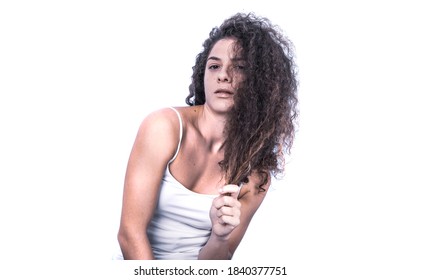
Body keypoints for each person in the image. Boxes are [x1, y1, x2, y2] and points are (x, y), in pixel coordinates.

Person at [116, 12, 298, 260]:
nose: (223, 75)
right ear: (203, 76)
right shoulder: (164, 127)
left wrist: (220, 237)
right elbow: (130, 234)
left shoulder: (256, 175)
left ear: (261, 83)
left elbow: (215, 264)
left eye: (239, 67)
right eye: (214, 66)